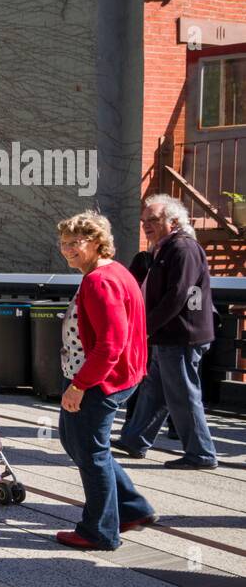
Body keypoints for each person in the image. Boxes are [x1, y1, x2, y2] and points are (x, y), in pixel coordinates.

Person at [55, 211, 156, 550]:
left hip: (99, 380)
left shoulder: (100, 281)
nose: (68, 249)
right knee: (78, 443)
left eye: (75, 243)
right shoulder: (113, 273)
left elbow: (110, 344)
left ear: (97, 243)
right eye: (64, 243)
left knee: (91, 452)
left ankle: (99, 530)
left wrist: (79, 386)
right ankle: (130, 507)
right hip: (111, 376)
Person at [117, 196, 218, 469]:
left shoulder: (183, 248)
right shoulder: (164, 248)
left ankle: (201, 453)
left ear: (173, 221)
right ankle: (134, 439)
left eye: (153, 220)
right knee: (156, 390)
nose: (146, 226)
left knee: (183, 393)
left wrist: (144, 328)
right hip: (170, 334)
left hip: (182, 334)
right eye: (143, 221)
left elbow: (177, 295)